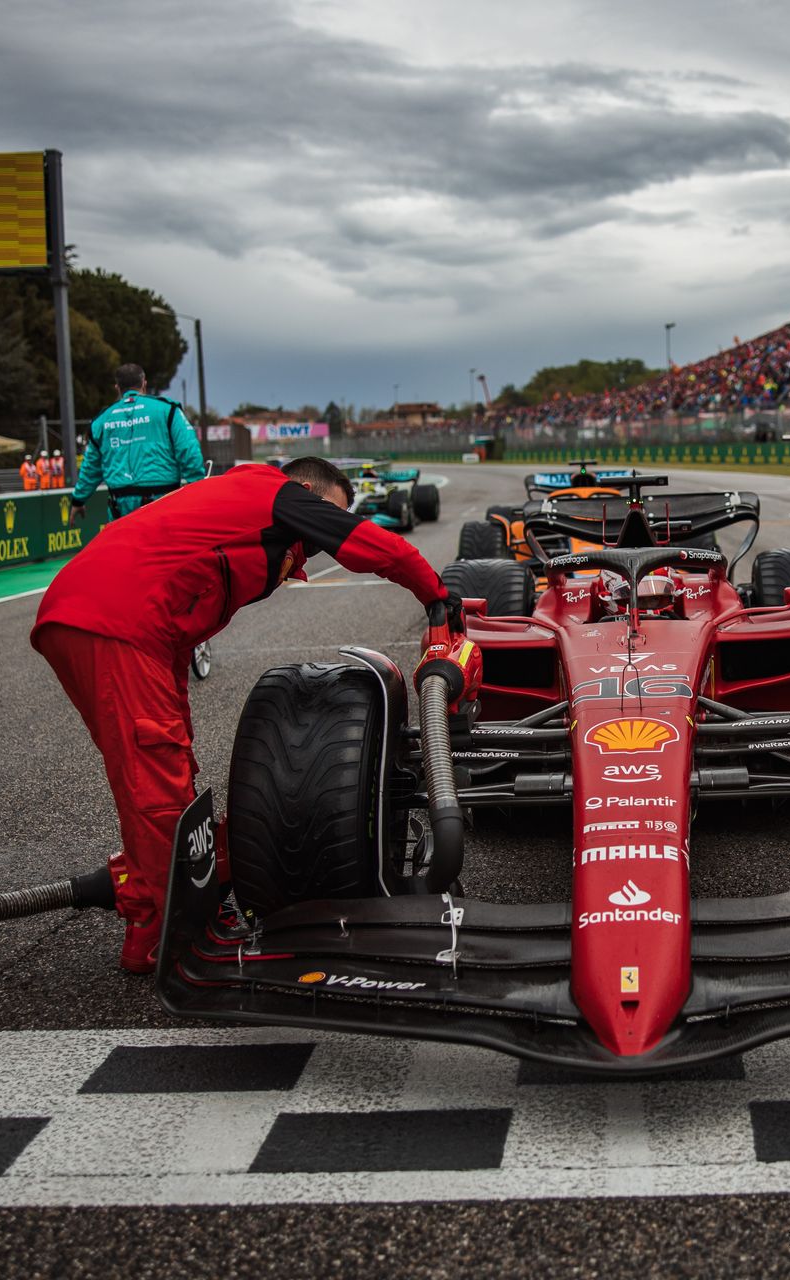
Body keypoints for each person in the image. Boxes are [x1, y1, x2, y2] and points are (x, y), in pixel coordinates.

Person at [31, 455, 467, 973]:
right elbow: (366, 543)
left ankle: (148, 927)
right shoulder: (274, 493)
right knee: (156, 783)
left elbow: (178, 615)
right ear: (307, 490)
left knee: (164, 766)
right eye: (329, 511)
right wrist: (436, 594)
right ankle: (186, 936)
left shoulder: (237, 505)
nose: (321, 533)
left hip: (115, 622)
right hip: (115, 620)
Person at [71, 363, 206, 519]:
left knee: (124, 536)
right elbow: (189, 450)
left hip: (120, 508)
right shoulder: (168, 410)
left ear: (117, 388)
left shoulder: (101, 420)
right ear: (144, 384)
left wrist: (78, 500)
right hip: (163, 503)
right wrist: (197, 487)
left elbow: (91, 467)